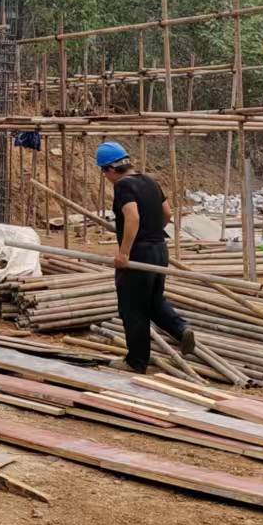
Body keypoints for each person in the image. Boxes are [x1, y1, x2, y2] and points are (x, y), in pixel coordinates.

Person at [97, 140, 194, 373]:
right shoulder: (150, 181)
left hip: (139, 255)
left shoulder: (123, 186)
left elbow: (133, 217)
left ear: (110, 169)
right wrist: (152, 233)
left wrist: (124, 253)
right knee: (153, 300)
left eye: (104, 172)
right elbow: (167, 213)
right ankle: (181, 330)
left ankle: (136, 361)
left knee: (132, 308)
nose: (106, 177)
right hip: (159, 249)